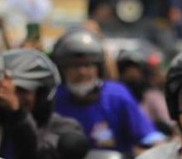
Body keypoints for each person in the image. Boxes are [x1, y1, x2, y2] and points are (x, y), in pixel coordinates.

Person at [52, 27, 167, 155]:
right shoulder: (53, 100)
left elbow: (149, 136)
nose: (82, 72)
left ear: (98, 68)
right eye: (75, 66)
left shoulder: (117, 95)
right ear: (62, 70)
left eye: (88, 65)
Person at [0, 47, 89, 159]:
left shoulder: (64, 128)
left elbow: (34, 154)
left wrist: (17, 112)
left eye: (21, 90)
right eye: (7, 91)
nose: (12, 96)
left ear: (42, 94)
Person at [118, 49, 174, 136]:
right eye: (127, 70)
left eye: (135, 69)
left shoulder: (152, 95)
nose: (132, 74)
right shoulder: (117, 95)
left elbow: (168, 122)